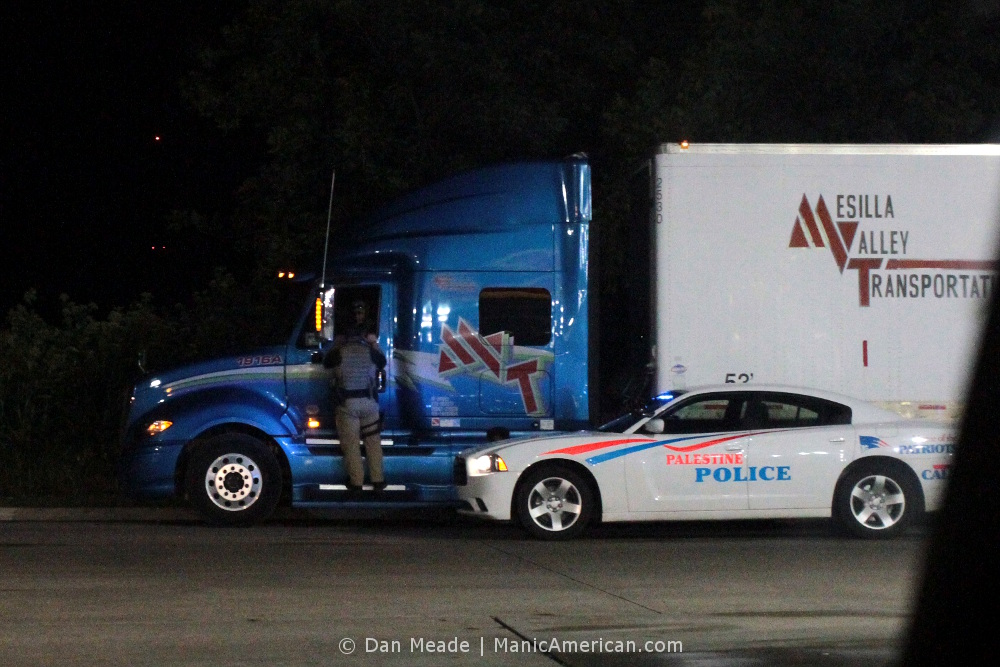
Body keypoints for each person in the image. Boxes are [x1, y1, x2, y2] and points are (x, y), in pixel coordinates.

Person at [324, 300, 387, 491]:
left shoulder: (339, 352)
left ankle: (356, 483)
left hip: (348, 405)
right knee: (373, 442)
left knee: (351, 445)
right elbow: (382, 363)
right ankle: (378, 481)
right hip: (369, 403)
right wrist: (374, 343)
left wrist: (335, 346)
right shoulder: (371, 351)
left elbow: (326, 364)